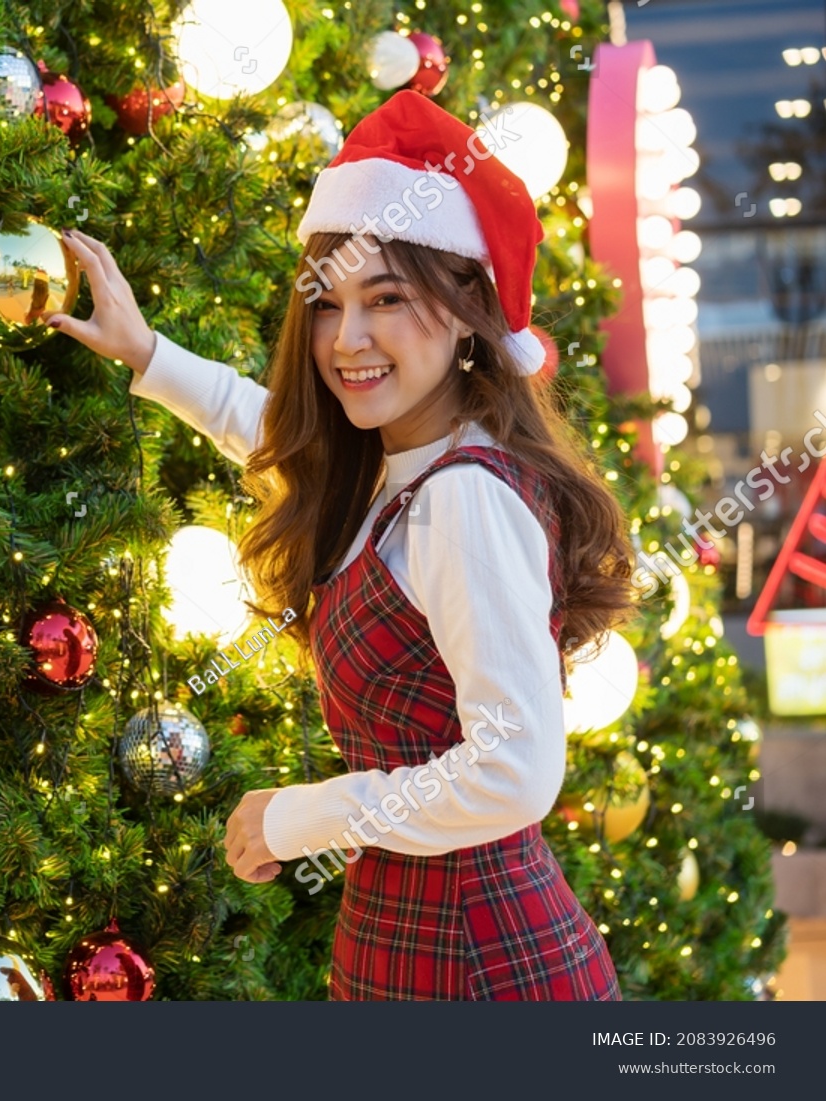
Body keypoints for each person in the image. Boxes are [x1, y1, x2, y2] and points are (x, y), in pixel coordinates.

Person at [41, 90, 637, 1001]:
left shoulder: (464, 500)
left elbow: (516, 770)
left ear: (465, 310)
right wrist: (148, 353)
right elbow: (273, 437)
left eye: (389, 300)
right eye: (329, 305)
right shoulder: (400, 469)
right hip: (413, 952)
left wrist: (298, 816)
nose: (347, 340)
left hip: (480, 969)